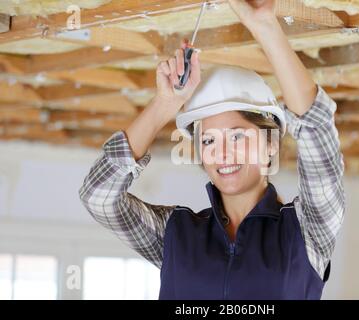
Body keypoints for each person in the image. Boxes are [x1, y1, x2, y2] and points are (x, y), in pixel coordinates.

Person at [79, 0, 345, 300]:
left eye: (236, 137)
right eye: (208, 141)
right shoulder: (175, 235)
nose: (222, 154)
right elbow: (98, 196)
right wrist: (165, 104)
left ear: (270, 143)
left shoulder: (306, 233)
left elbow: (316, 130)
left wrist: (265, 27)